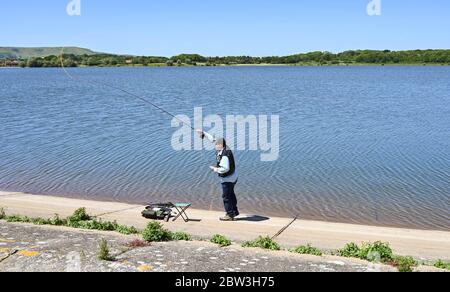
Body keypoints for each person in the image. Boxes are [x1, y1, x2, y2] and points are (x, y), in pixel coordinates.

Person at [197, 129, 239, 221]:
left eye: (216, 145)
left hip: (228, 179)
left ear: (221, 145)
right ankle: (234, 211)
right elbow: (212, 139)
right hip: (234, 177)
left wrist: (215, 169)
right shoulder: (225, 147)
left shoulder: (224, 155)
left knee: (226, 197)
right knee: (231, 194)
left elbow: (225, 168)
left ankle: (229, 215)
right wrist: (203, 132)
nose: (215, 145)